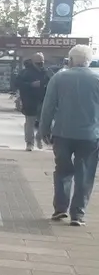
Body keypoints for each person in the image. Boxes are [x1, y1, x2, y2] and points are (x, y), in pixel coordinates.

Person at [39, 44, 99, 227]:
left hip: (63, 133)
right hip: (90, 135)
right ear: (89, 61)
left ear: (71, 59)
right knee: (85, 174)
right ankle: (78, 214)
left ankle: (60, 209)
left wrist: (44, 130)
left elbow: (48, 106)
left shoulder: (59, 77)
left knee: (63, 170)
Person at [16, 53, 51, 151]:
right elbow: (17, 83)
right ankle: (29, 143)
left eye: (42, 62)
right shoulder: (25, 72)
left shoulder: (46, 72)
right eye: (38, 63)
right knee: (30, 122)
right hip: (29, 101)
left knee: (43, 122)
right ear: (33, 62)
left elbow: (52, 83)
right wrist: (30, 85)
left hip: (43, 100)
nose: (41, 65)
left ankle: (39, 137)